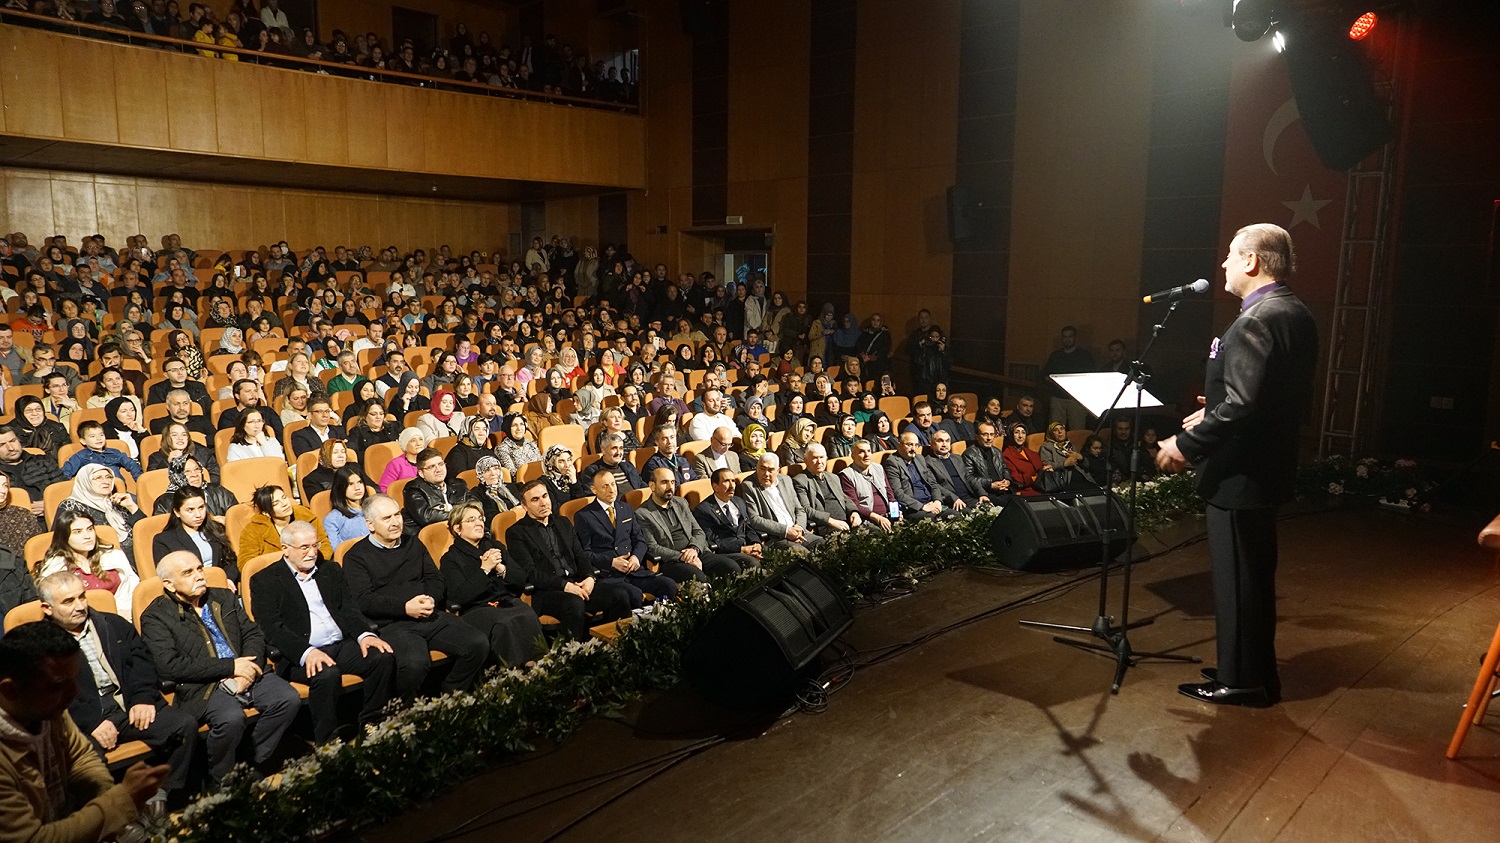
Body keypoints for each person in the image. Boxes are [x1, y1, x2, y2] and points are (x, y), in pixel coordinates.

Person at [1156, 223, 1318, 708]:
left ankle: (1242, 682)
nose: (1223, 264)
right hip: (1266, 467)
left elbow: (1244, 406)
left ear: (1251, 262)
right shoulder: (1296, 312)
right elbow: (1272, 396)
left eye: (1230, 255)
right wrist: (1218, 404)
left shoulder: (1253, 320)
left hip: (1239, 472)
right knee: (1253, 578)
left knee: (1236, 581)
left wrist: (1187, 443)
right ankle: (1251, 671)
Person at [37, 571, 198, 807]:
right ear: (47, 608)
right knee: (87, 760)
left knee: (183, 726)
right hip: (83, 720)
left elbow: (141, 662)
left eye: (82, 597)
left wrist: (143, 698)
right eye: (69, 601)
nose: (80, 606)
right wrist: (91, 723)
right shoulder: (40, 644)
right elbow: (51, 695)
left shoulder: (112, 623)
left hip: (127, 705)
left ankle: (162, 793)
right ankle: (113, 816)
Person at [140, 551, 301, 784]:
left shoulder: (223, 597)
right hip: (204, 685)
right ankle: (221, 779)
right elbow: (169, 666)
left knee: (287, 699)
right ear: (169, 584)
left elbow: (252, 633)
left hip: (248, 670)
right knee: (231, 719)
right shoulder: (156, 616)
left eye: (199, 569)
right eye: (188, 573)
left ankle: (248, 761)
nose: (199, 576)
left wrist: (249, 668)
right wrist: (230, 668)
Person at [0, 622, 170, 842]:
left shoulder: (49, 710)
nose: (75, 692)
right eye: (58, 685)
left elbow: (81, 759)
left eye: (75, 679)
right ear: (9, 690)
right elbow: (34, 839)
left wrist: (113, 807)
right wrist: (121, 800)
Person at [249, 521, 397, 743]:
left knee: (382, 657)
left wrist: (365, 635)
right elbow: (272, 629)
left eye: (314, 546)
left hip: (340, 644)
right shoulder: (265, 580)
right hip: (300, 653)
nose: (311, 553)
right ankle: (327, 740)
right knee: (327, 674)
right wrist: (308, 652)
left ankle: (372, 721)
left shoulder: (330, 570)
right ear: (285, 549)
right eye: (304, 548)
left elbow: (348, 610)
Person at [341, 495, 490, 696]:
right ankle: (407, 713)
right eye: (387, 518)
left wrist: (429, 598)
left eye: (397, 515)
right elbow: (364, 600)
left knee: (477, 644)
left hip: (429, 614)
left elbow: (435, 579)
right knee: (414, 664)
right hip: (393, 624)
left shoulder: (413, 543)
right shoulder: (356, 557)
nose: (395, 522)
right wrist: (405, 608)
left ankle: (450, 698)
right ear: (370, 524)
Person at [504, 480, 634, 643]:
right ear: (524, 506)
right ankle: (572, 658)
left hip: (578, 583)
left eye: (545, 496)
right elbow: (531, 573)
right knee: (574, 604)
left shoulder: (563, 523)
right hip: (547, 591)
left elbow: (581, 555)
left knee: (619, 594)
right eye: (535, 500)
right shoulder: (516, 532)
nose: (543, 502)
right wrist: (565, 586)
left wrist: (589, 578)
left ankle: (617, 647)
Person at [440, 503, 546, 667]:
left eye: (480, 518)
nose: (479, 523)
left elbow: (521, 577)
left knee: (528, 614)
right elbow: (459, 596)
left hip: (505, 600)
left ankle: (540, 668)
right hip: (476, 608)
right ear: (457, 528)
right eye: (471, 519)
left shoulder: (495, 546)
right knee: (503, 623)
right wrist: (484, 569)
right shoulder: (450, 559)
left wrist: (501, 568)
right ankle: (513, 674)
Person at [574, 470, 680, 609]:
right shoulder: (584, 516)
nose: (611, 490)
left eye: (613, 484)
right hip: (609, 575)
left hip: (634, 571)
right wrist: (611, 562)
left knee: (669, 585)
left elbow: (640, 540)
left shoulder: (626, 508)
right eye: (605, 486)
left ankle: (659, 623)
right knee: (633, 594)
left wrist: (636, 558)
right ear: (593, 490)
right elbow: (585, 553)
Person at [635, 467, 751, 578]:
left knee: (731, 567)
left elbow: (698, 531)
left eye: (672, 482)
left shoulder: (681, 503)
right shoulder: (643, 513)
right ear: (652, 486)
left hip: (697, 552)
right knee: (697, 577)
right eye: (664, 482)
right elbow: (652, 547)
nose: (670, 487)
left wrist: (694, 549)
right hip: (672, 560)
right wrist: (683, 557)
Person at [36, 514, 141, 620]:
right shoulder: (55, 568)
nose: (87, 536)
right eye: (78, 532)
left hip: (124, 617)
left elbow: (133, 589)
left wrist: (125, 613)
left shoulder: (113, 555)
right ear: (64, 537)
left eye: (90, 529)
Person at [152, 485, 238, 588]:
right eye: (190, 510)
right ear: (177, 512)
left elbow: (230, 560)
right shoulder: (164, 540)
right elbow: (170, 576)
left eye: (201, 508)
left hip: (221, 587)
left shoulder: (214, 529)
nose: (198, 514)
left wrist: (227, 579)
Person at [55, 464, 145, 562]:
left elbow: (146, 533)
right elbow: (61, 543)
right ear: (86, 482)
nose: (106, 482)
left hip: (138, 554)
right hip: (100, 561)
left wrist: (132, 507)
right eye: (98, 478)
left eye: (109, 477)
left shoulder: (117, 501)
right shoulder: (70, 507)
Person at [738, 453, 825, 552]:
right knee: (802, 553)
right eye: (762, 469)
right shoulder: (749, 485)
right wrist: (786, 531)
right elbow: (755, 519)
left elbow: (799, 510)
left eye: (771, 470)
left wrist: (799, 527)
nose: (766, 474)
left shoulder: (786, 480)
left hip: (798, 532)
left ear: (778, 471)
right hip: (776, 537)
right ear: (757, 468)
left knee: (824, 544)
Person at [794, 443, 881, 536]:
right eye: (815, 458)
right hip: (828, 527)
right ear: (806, 460)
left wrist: (854, 512)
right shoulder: (800, 481)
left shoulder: (833, 477)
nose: (819, 461)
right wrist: (831, 521)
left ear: (826, 459)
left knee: (879, 534)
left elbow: (845, 498)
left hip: (849, 522)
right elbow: (806, 509)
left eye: (822, 457)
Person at [237, 485, 331, 568]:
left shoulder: (306, 516)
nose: (284, 504)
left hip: (311, 567)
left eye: (284, 497)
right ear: (266, 513)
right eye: (276, 503)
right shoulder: (253, 530)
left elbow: (324, 545)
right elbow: (246, 563)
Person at [692, 469, 764, 563]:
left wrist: (756, 543)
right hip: (728, 552)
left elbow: (747, 526)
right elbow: (711, 539)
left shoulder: (739, 501)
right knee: (752, 562)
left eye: (733, 481)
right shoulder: (703, 509)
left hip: (749, 546)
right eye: (726, 481)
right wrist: (741, 549)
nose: (731, 486)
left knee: (775, 553)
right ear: (715, 486)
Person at [402, 448, 477, 534]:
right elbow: (427, 517)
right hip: (431, 539)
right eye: (431, 467)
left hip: (462, 533)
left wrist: (448, 508)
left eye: (441, 464)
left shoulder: (458, 484)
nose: (438, 470)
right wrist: (462, 512)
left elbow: (476, 505)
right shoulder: (413, 489)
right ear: (421, 473)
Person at [1040, 325, 1098, 430]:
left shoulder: (1084, 355)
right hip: (1057, 398)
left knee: (1077, 430)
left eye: (1070, 336)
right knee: (1055, 430)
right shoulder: (1056, 355)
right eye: (1065, 337)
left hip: (1077, 399)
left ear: (1075, 338)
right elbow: (1045, 374)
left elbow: (1092, 376)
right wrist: (1052, 381)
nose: (1067, 339)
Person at [839, 439, 899, 526]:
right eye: (862, 452)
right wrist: (877, 518)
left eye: (869, 451)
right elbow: (854, 505)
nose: (867, 455)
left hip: (888, 516)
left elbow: (889, 493)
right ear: (852, 456)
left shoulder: (879, 468)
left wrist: (895, 514)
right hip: (867, 520)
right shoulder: (846, 475)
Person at [927, 430, 989, 507]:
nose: (944, 444)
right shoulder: (928, 462)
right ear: (932, 444)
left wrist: (982, 494)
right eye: (940, 441)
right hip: (953, 502)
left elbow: (969, 478)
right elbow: (935, 486)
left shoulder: (957, 458)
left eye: (947, 441)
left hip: (971, 497)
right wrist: (954, 499)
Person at [573, 433, 646, 498]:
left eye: (621, 448)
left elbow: (643, 487)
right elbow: (591, 497)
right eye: (614, 448)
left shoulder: (628, 466)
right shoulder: (592, 471)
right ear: (603, 451)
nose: (618, 452)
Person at [962, 421, 1014, 500]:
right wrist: (990, 484)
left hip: (1003, 491)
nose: (989, 438)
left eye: (992, 434)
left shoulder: (997, 452)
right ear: (977, 436)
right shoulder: (969, 454)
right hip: (986, 493)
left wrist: (1007, 481)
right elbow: (969, 478)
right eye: (985, 434)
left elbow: (1005, 469)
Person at [1000, 422, 1048, 497]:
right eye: (1016, 432)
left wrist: (1046, 470)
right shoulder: (1006, 455)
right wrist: (1037, 477)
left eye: (1023, 433)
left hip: (1042, 487)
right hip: (1024, 492)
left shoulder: (1031, 453)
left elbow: (1041, 468)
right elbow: (1018, 480)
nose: (1020, 436)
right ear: (1011, 435)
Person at [379, 428, 427, 493]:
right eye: (413, 440)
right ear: (405, 445)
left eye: (420, 439)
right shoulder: (396, 464)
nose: (418, 443)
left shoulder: (429, 461)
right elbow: (384, 489)